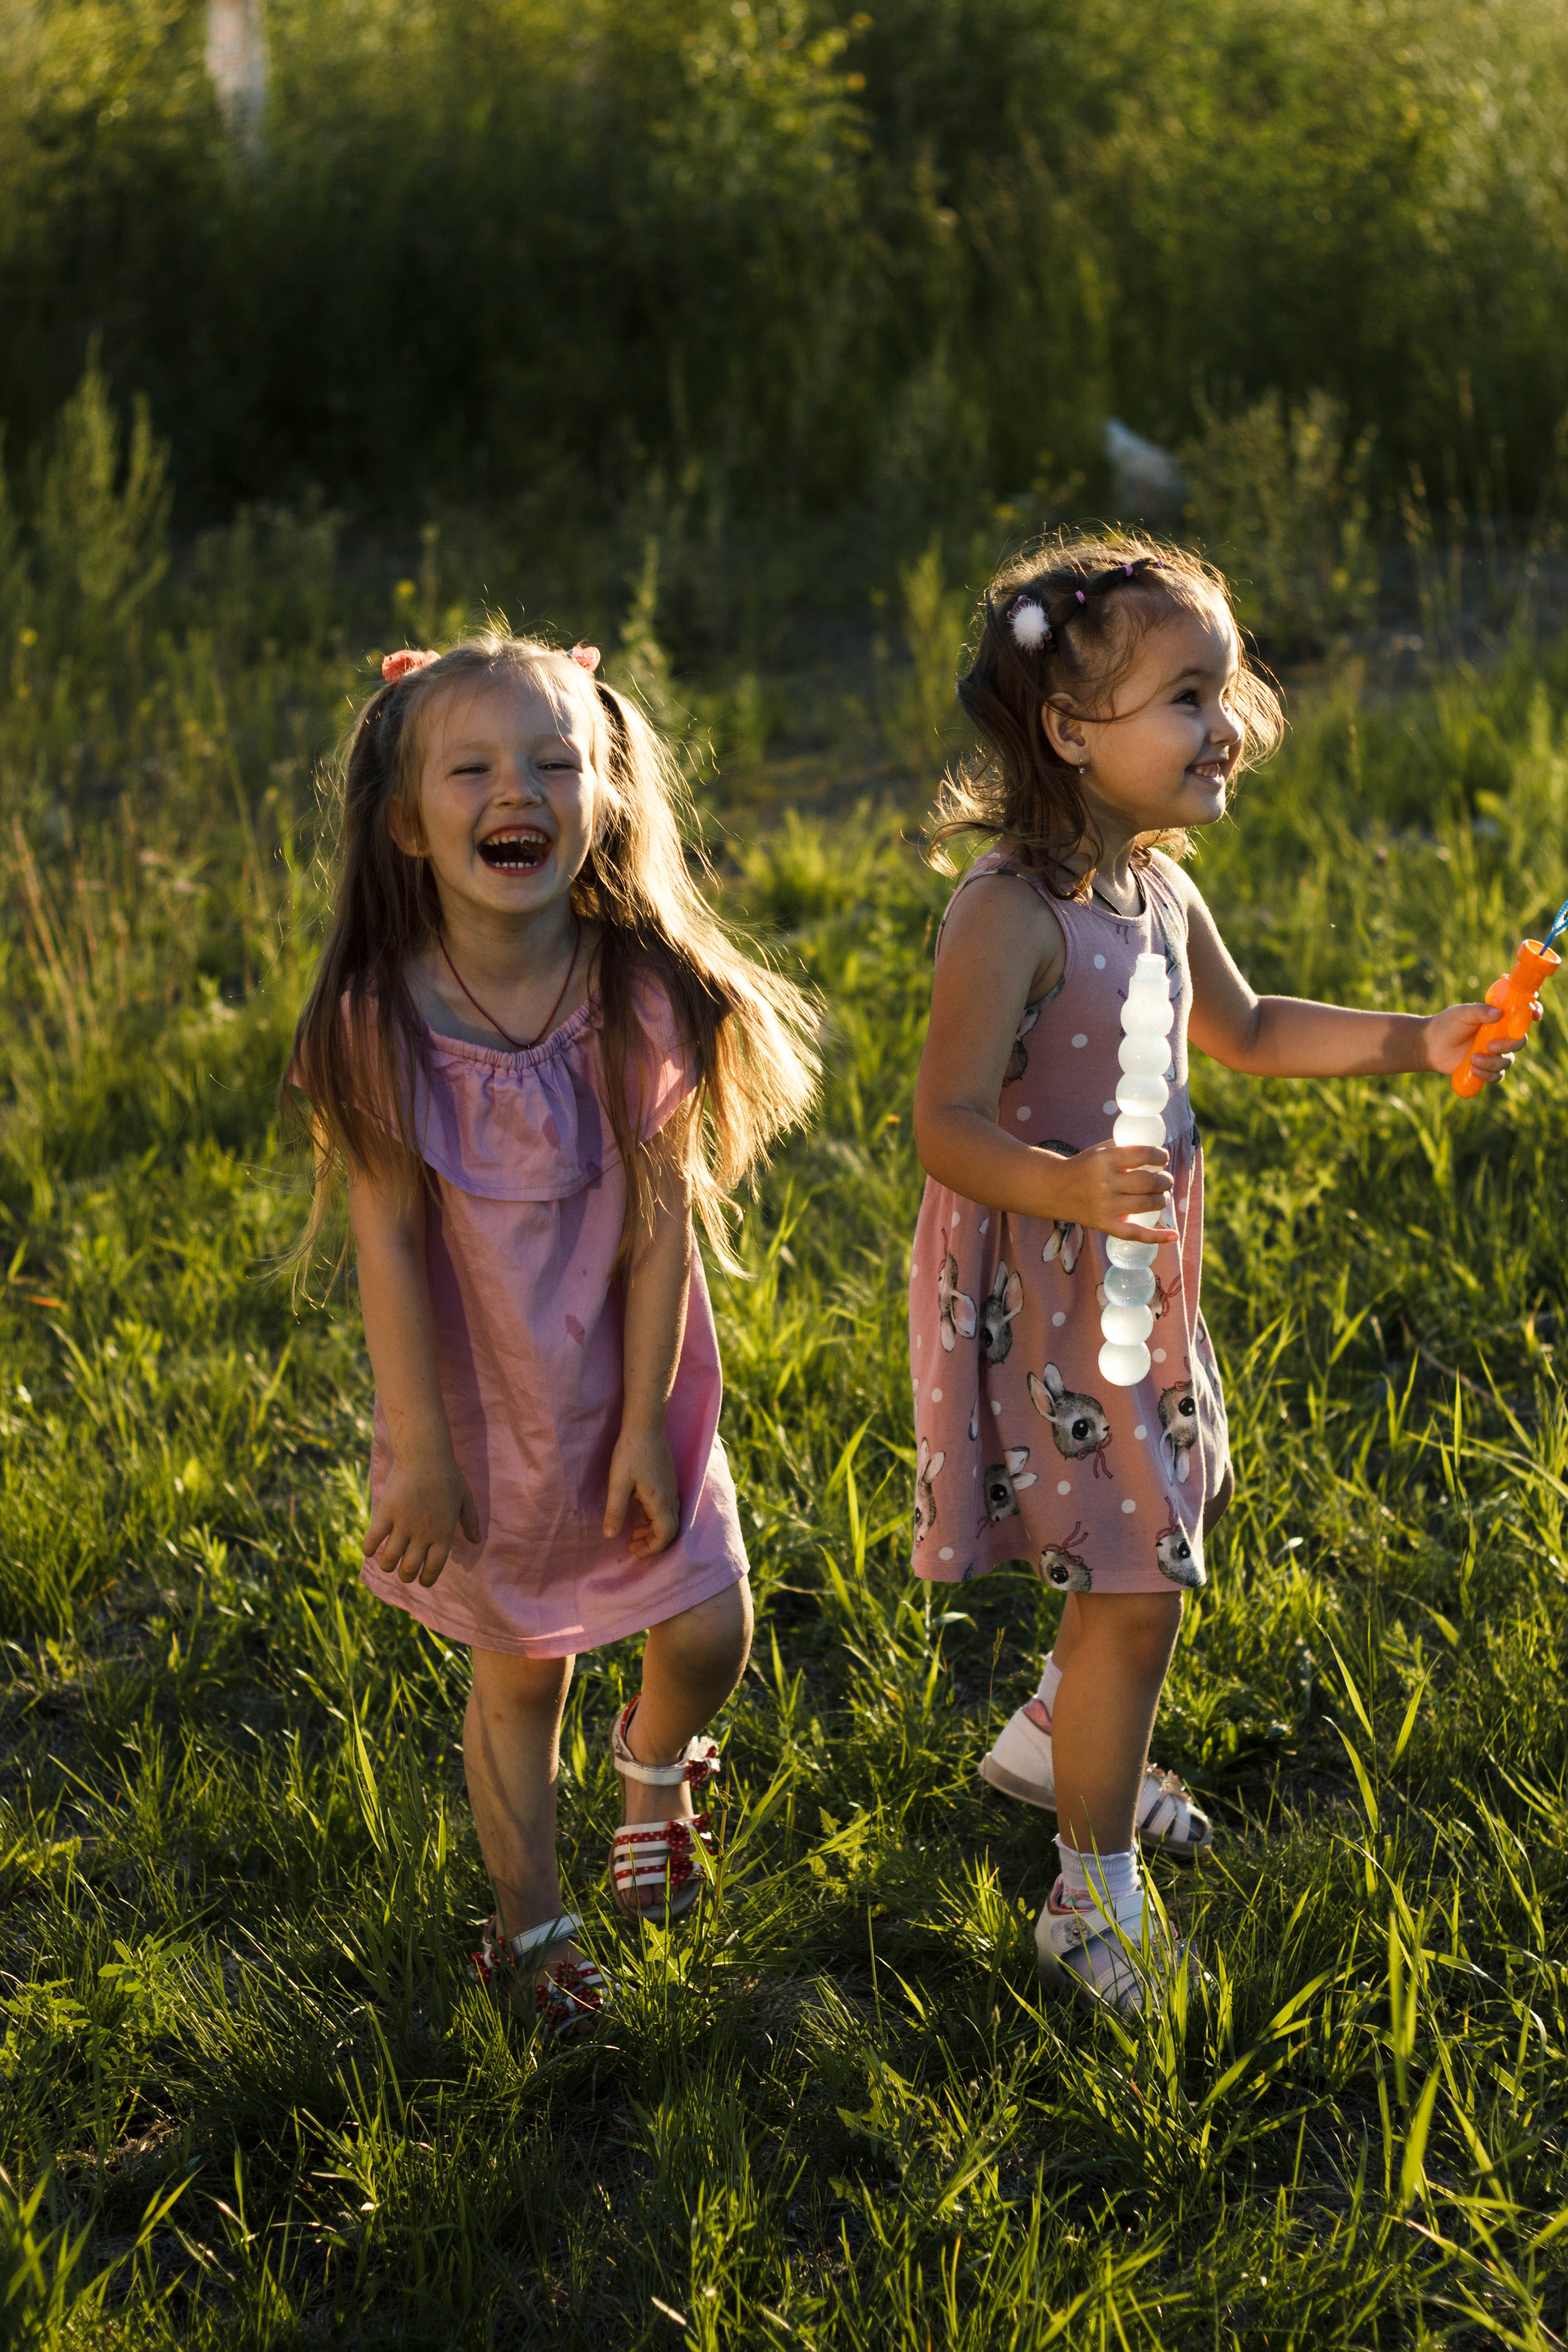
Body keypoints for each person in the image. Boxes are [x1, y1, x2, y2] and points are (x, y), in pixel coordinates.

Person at [909, 537, 1528, 2010]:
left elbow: (1244, 1031)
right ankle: (1089, 1903)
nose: (1230, 718)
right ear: (1069, 731)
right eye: (1188, 693)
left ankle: (1051, 1732)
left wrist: (1414, 1037)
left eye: (1227, 682)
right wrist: (1059, 1184)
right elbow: (941, 1126)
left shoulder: (1151, 885)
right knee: (1137, 1578)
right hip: (1054, 1285)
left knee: (1191, 1493)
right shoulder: (1008, 914)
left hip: (1139, 1280)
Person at [286, 634, 816, 2035]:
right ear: (409, 820)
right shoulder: (378, 1022)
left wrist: (645, 1419)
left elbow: (659, 1226)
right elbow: (387, 1242)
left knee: (707, 1623)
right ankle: (528, 1937)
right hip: (484, 1404)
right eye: (471, 767)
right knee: (520, 1671)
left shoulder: (635, 997)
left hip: (624, 1376)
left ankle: (654, 1771)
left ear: (607, 799)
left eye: (554, 761)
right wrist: (413, 1452)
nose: (514, 788)